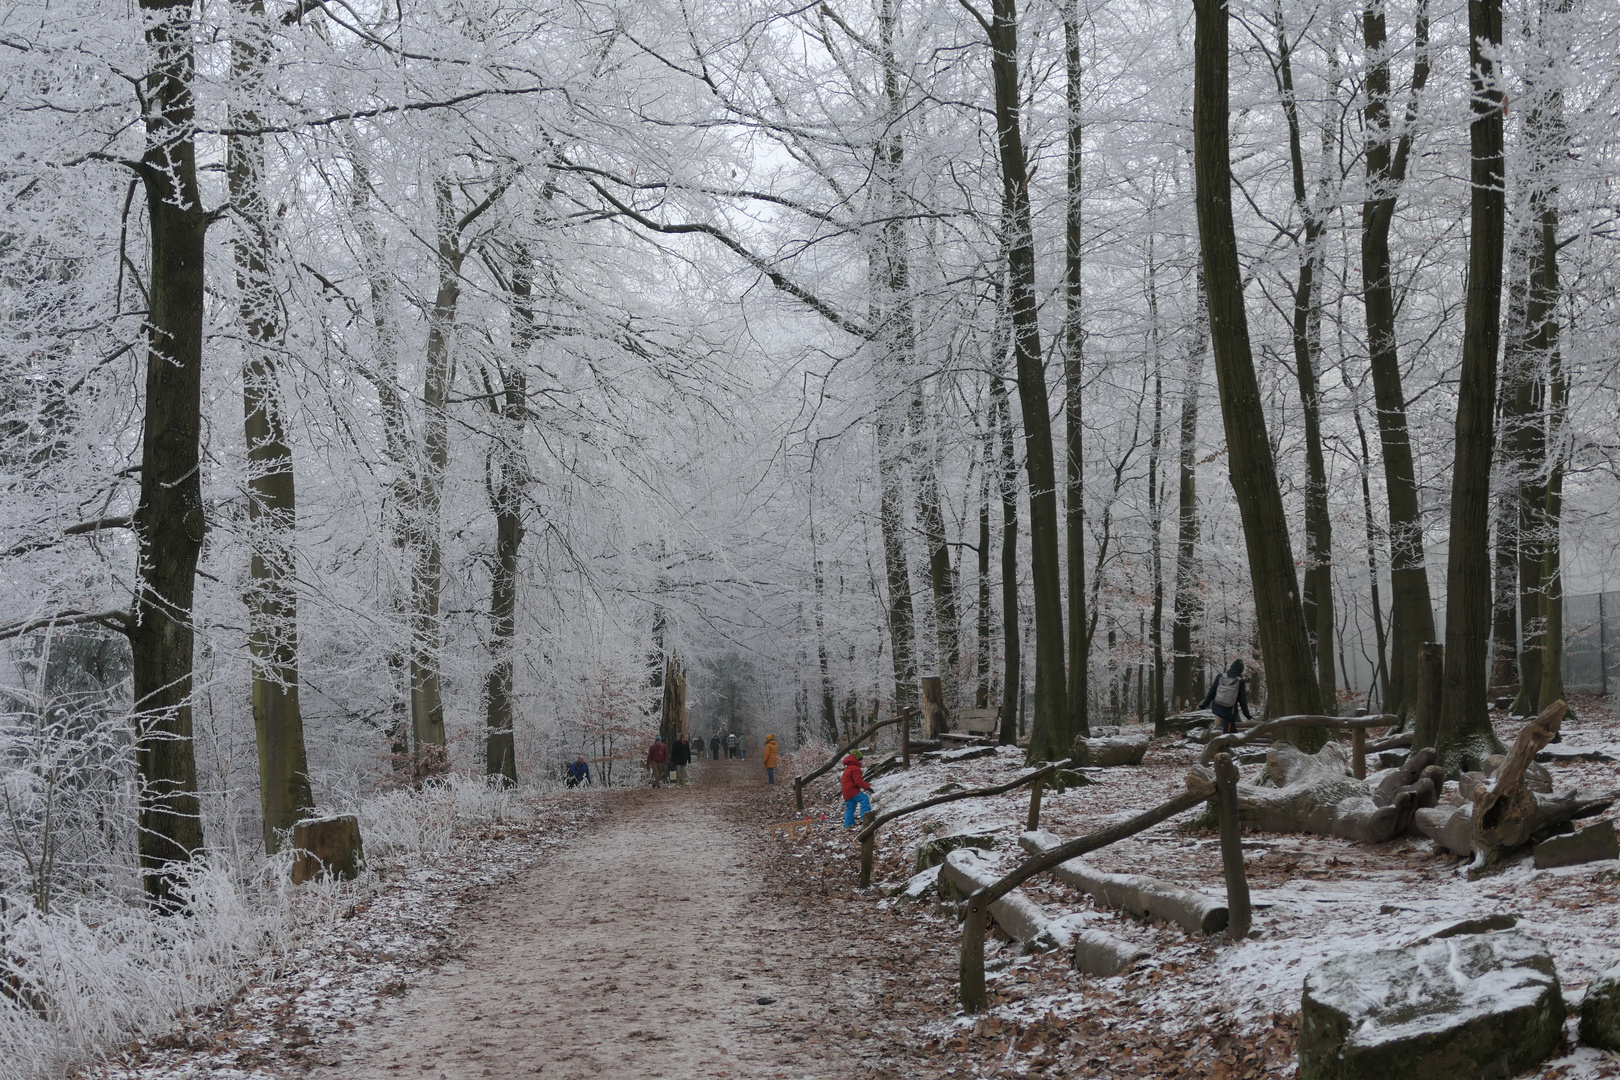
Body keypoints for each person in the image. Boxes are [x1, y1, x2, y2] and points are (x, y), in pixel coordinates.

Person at [1199, 659, 1254, 735]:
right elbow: (1242, 700)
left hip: (1217, 706)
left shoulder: (1221, 676)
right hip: (1230, 710)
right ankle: (1225, 745)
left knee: (1232, 730)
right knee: (1227, 732)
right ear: (1241, 670)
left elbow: (1212, 692)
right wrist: (1247, 715)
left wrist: (1203, 705)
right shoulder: (1240, 681)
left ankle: (1236, 743)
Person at [840, 749, 873, 828]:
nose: (861, 762)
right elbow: (858, 781)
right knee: (864, 799)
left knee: (851, 806)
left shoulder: (849, 767)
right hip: (852, 790)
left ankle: (848, 824)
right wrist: (868, 787)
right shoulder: (855, 768)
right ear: (856, 759)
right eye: (860, 760)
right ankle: (865, 817)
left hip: (846, 791)